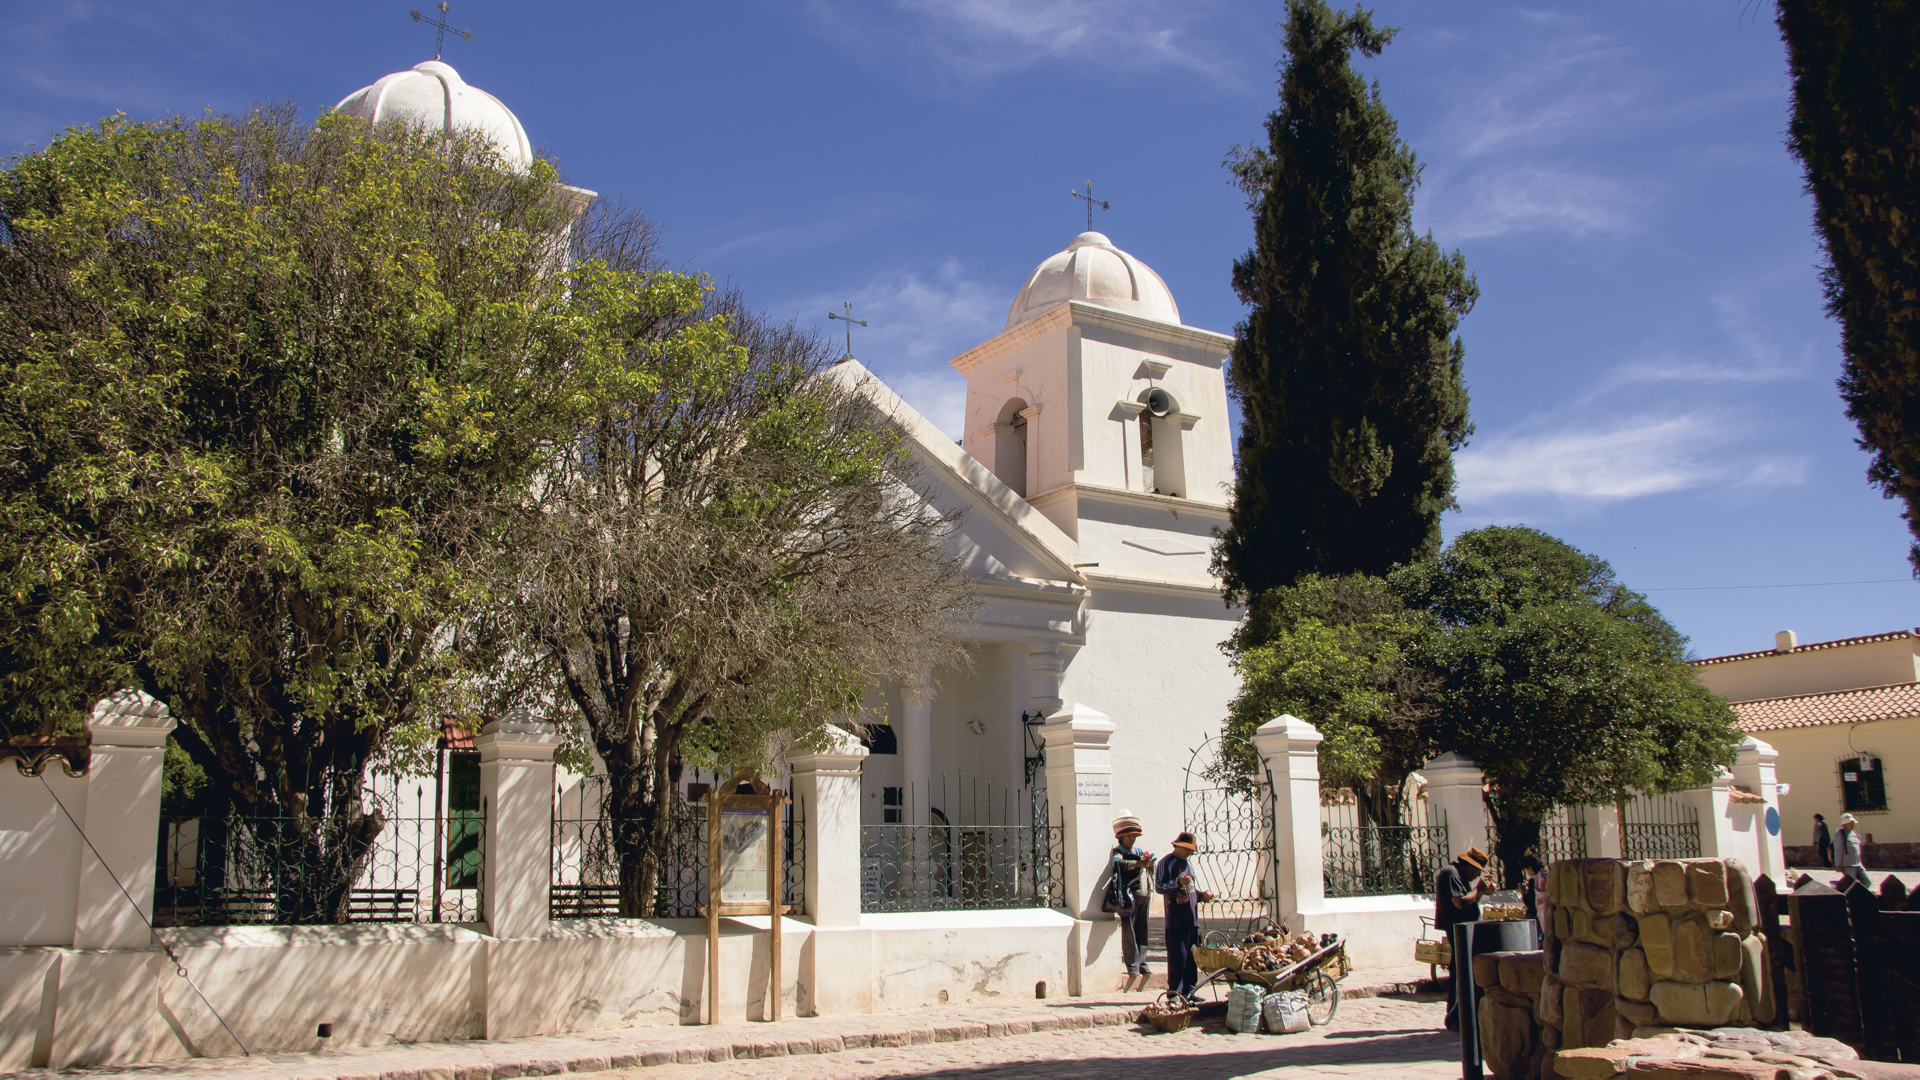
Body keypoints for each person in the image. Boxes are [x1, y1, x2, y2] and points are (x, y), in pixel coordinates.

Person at [1434, 846, 1489, 1031]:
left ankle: (1460, 1015)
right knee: (1460, 973)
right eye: (1477, 870)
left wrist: (1480, 892)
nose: (1477, 875)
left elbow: (1470, 901)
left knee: (1464, 971)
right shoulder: (1451, 874)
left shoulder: (1459, 876)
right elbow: (1460, 902)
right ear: (1470, 866)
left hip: (1466, 929)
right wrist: (1478, 890)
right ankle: (1455, 1016)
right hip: (1459, 930)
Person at [1155, 831, 1212, 999]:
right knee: (1177, 957)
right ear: (1179, 846)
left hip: (1191, 918)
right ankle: (1175, 992)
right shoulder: (1166, 863)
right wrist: (1177, 883)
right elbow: (1159, 887)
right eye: (1188, 850)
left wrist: (1201, 896)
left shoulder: (1189, 865)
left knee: (1192, 957)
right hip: (1176, 919)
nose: (1190, 853)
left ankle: (1190, 991)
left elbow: (1191, 889)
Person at [1109, 812, 1156, 991]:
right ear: (1121, 837)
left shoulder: (1139, 852)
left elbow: (1151, 861)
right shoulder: (1118, 853)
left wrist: (1149, 861)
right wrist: (1137, 864)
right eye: (1129, 835)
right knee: (1129, 932)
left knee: (1142, 929)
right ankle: (1133, 967)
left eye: (1134, 835)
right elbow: (1116, 864)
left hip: (1143, 894)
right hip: (1127, 898)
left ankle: (1143, 964)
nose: (1132, 839)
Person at [1835, 813, 1872, 889]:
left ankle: (1859, 894)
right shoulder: (1840, 834)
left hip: (1858, 863)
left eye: (1852, 822)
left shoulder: (1855, 834)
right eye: (1850, 823)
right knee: (1850, 885)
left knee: (1867, 882)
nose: (1852, 824)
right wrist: (1838, 864)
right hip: (1848, 865)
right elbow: (1838, 850)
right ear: (1844, 824)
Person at [1520, 854, 1546, 926]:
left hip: (1536, 914)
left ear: (1530, 867)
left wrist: (1523, 893)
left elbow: (1530, 904)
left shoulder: (1534, 881)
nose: (1527, 872)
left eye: (1526, 870)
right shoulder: (1545, 876)